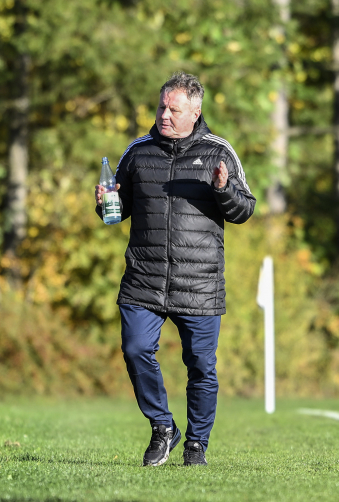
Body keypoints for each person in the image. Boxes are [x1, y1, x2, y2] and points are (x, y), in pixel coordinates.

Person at [93, 72, 256, 467]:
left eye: (173, 109)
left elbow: (244, 210)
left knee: (200, 367)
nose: (164, 115)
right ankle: (163, 427)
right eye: (161, 107)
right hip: (144, 280)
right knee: (134, 350)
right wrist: (104, 202)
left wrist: (223, 189)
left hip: (198, 283)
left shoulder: (220, 152)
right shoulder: (138, 151)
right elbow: (117, 212)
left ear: (195, 111)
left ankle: (196, 444)